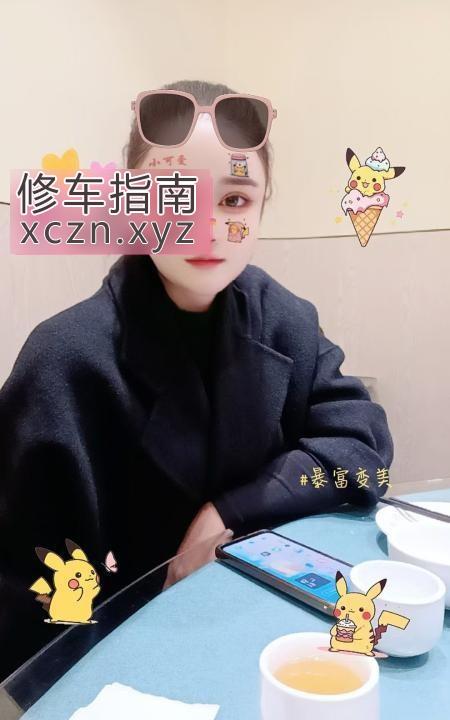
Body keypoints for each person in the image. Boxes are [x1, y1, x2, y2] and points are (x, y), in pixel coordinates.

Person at [0, 79, 394, 682]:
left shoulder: (285, 319)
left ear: (261, 207)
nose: (206, 225)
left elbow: (363, 452)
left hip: (271, 636)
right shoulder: (63, 362)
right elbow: (29, 608)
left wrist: (231, 508)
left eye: (234, 199)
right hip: (125, 672)